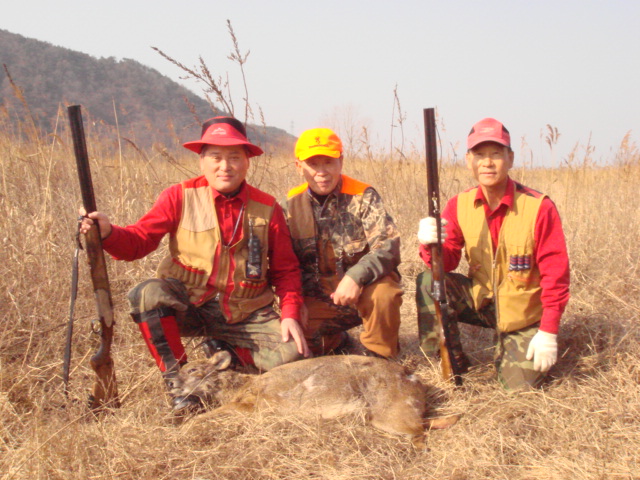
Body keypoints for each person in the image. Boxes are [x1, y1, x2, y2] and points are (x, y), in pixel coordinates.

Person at [79, 116, 310, 412]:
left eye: (234, 157)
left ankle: (224, 353)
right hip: (189, 306)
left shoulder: (267, 207)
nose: (225, 166)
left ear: (247, 162)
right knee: (147, 294)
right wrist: (108, 233)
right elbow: (138, 242)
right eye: (215, 157)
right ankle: (180, 388)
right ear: (201, 161)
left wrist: (289, 314)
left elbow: (285, 270)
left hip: (243, 312)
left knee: (293, 355)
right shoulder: (178, 196)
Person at [416, 117, 570, 390]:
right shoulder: (459, 204)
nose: (487, 163)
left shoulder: (539, 207)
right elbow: (446, 263)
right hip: (482, 301)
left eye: (496, 154)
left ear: (510, 158)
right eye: (479, 155)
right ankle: (447, 360)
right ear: (468, 160)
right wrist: (431, 245)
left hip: (522, 313)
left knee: (519, 390)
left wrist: (548, 331)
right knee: (429, 281)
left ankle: (516, 346)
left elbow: (555, 275)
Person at [284, 127, 403, 359]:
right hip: (319, 297)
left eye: (329, 162)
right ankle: (337, 341)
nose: (322, 172)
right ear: (299, 167)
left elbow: (388, 246)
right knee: (293, 348)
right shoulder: (289, 205)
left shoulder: (363, 195)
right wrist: (295, 303)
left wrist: (355, 277)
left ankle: (380, 358)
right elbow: (284, 264)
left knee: (384, 294)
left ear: (341, 162)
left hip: (363, 290)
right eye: (313, 164)